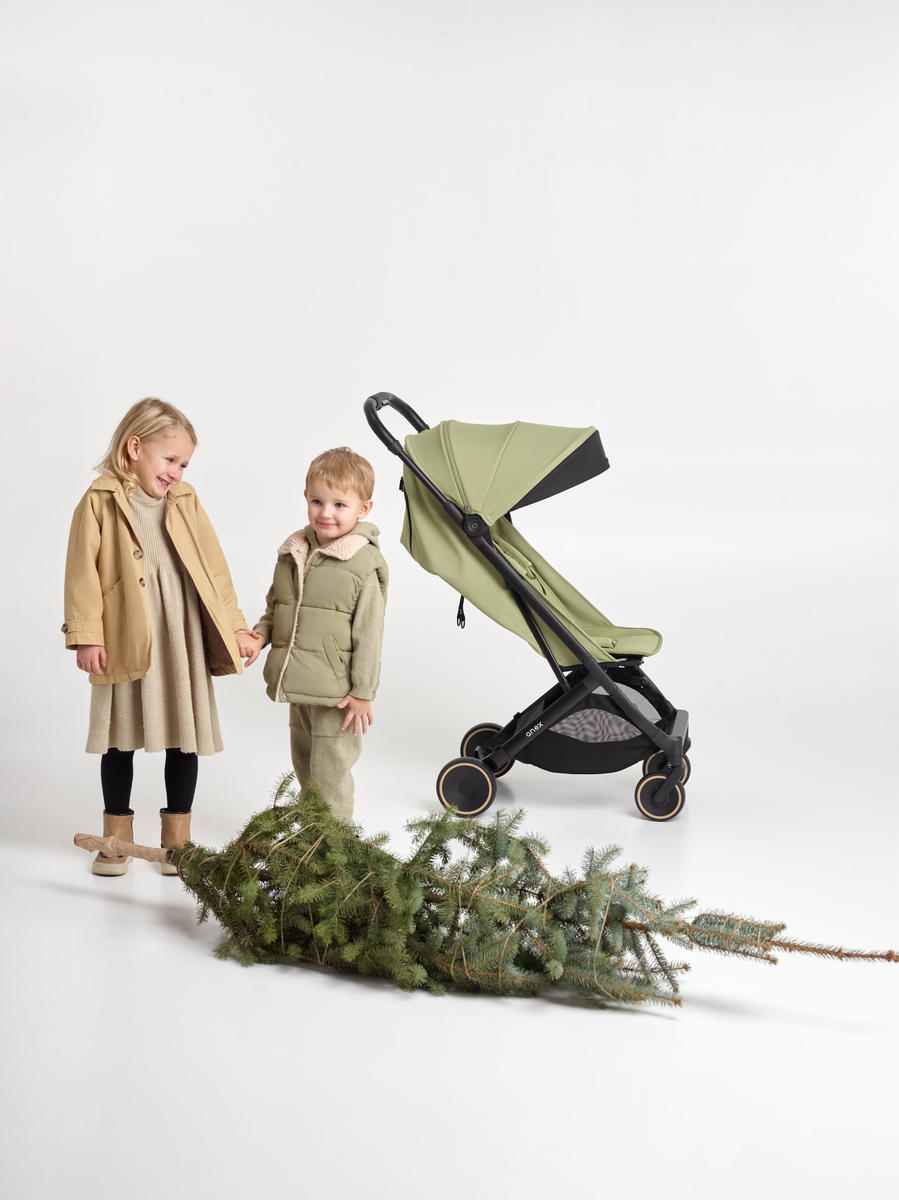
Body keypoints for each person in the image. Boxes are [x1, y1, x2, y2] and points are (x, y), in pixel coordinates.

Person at [63, 398, 258, 875]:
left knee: (183, 735)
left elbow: (214, 569)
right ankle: (115, 841)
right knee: (119, 737)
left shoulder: (186, 500)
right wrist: (87, 635)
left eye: (184, 464)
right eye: (170, 459)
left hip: (180, 631)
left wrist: (235, 624)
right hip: (126, 634)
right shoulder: (99, 501)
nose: (176, 472)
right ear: (134, 448)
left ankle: (178, 843)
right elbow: (81, 574)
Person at [243, 447, 388, 822]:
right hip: (300, 685)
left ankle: (335, 846)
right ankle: (312, 838)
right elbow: (277, 607)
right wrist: (260, 636)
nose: (326, 512)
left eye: (340, 504)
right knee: (307, 769)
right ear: (306, 498)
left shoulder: (362, 564)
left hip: (338, 695)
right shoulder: (294, 551)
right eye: (317, 501)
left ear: (363, 508)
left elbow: (369, 635)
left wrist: (363, 692)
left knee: (331, 776)